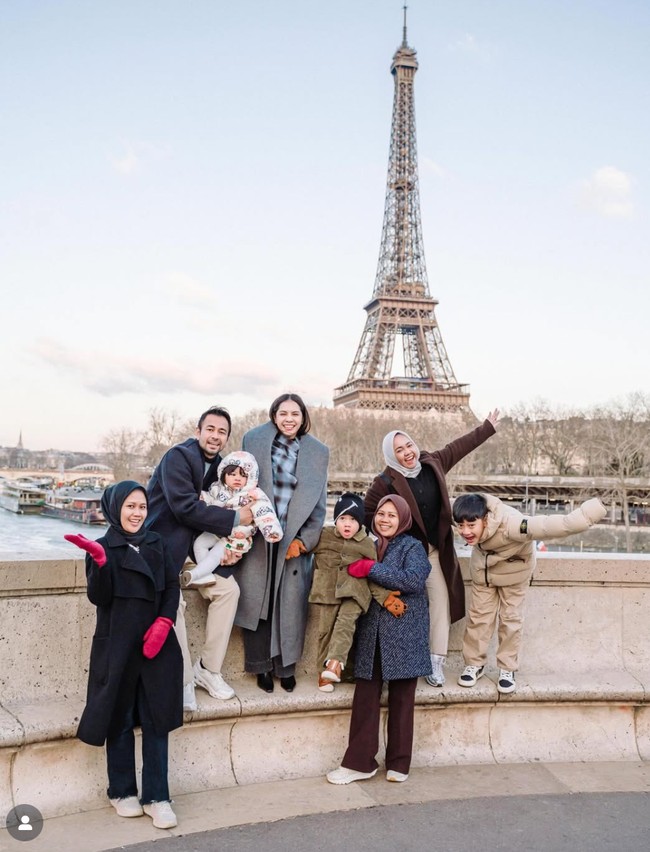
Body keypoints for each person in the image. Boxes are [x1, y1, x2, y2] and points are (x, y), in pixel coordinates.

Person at [64, 481, 183, 829]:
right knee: (119, 716)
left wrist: (164, 621)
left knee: (157, 719)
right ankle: (121, 790)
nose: (137, 513)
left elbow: (171, 585)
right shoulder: (101, 547)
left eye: (142, 507)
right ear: (115, 508)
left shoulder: (156, 542)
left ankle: (158, 796)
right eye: (130, 506)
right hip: (117, 644)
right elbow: (99, 598)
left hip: (155, 644)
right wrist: (100, 564)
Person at [364, 411, 500, 688]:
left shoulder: (432, 463)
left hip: (434, 551)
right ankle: (398, 661)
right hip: (403, 555)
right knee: (404, 607)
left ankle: (435, 662)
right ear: (391, 456)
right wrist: (386, 537)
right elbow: (368, 513)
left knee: (441, 603)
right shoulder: (384, 482)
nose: (407, 453)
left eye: (409, 445)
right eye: (398, 450)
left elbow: (457, 448)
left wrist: (486, 428)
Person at [146, 406, 254, 708]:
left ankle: (208, 669)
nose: (215, 436)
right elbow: (184, 508)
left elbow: (214, 505)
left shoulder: (221, 468)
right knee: (174, 605)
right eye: (210, 429)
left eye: (222, 432)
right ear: (198, 432)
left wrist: (229, 544)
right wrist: (234, 520)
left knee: (229, 591)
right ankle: (181, 682)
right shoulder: (177, 458)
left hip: (194, 550)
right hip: (164, 548)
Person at [453, 492, 607, 694]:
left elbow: (555, 525)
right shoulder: (464, 510)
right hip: (484, 573)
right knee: (478, 618)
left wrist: (594, 509)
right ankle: (474, 664)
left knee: (510, 620)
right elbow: (434, 503)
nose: (465, 531)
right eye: (460, 526)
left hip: (515, 573)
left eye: (471, 526)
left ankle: (507, 669)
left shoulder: (514, 525)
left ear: (485, 519)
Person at [326, 495, 431, 785]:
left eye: (392, 515)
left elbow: (413, 580)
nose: (385, 519)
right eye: (381, 514)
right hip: (371, 631)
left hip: (405, 629)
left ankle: (399, 762)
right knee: (365, 697)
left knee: (402, 699)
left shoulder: (412, 546)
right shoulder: (366, 544)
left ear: (403, 520)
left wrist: (371, 569)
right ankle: (359, 763)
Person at [236, 393, 329, 693]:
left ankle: (286, 667)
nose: (289, 419)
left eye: (295, 414)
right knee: (258, 601)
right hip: (261, 535)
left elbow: (319, 505)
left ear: (303, 418)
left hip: (293, 540)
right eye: (283, 413)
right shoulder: (254, 442)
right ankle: (261, 666)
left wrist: (303, 542)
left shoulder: (316, 453)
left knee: (290, 606)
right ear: (273, 415)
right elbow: (239, 483)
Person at [309, 492, 406, 692]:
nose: (347, 524)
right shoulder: (324, 536)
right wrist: (299, 545)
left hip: (355, 592)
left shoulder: (366, 544)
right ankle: (324, 672)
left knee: (345, 624)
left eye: (352, 520)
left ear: (360, 522)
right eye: (342, 518)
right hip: (328, 591)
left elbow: (372, 575)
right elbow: (306, 546)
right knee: (325, 631)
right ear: (335, 520)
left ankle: (335, 665)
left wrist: (385, 598)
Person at [182, 450, 283, 588]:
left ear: (250, 477)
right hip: (219, 529)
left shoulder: (253, 494)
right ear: (223, 474)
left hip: (237, 537)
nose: (237, 478)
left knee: (216, 554)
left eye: (243, 475)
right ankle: (206, 575)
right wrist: (200, 497)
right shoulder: (217, 489)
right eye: (232, 474)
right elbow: (210, 499)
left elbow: (265, 512)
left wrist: (271, 529)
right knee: (199, 543)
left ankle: (195, 575)